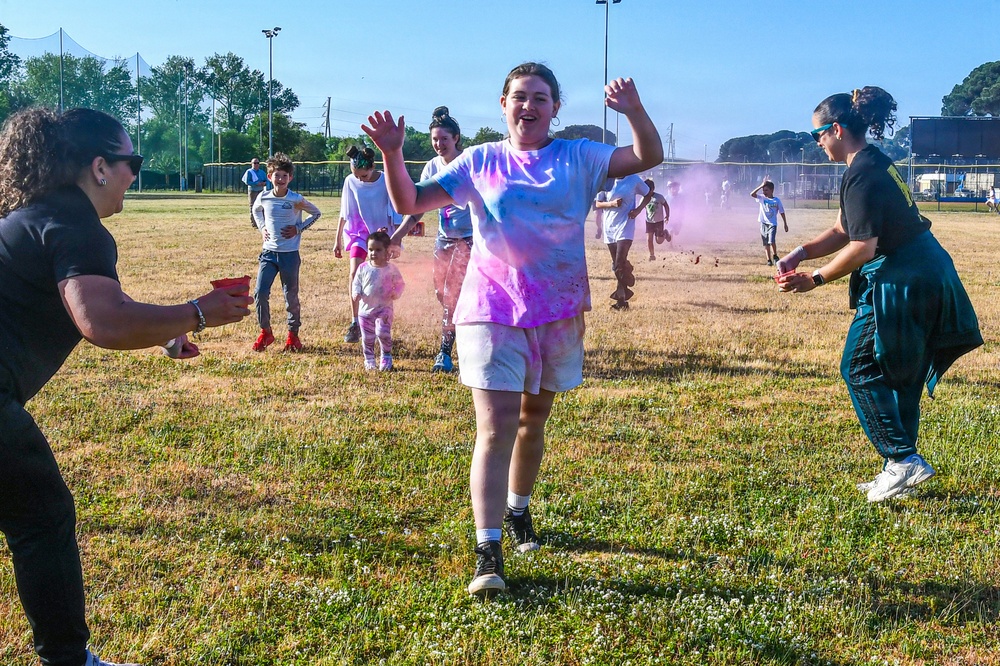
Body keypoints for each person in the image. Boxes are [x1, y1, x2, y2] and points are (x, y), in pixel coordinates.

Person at [362, 62, 662, 597]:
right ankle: (488, 550)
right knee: (497, 425)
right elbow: (410, 202)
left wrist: (634, 110)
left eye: (541, 98)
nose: (529, 106)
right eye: (520, 96)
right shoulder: (480, 161)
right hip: (490, 307)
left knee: (534, 417)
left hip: (557, 309)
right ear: (503, 104)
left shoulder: (578, 156)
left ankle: (520, 511)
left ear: (555, 108)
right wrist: (391, 152)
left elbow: (646, 157)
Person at [0, 108, 252, 666]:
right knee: (41, 516)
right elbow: (103, 321)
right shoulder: (76, 227)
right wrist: (198, 313)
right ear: (98, 167)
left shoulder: (39, 216)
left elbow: (76, 302)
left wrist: (164, 338)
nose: (134, 175)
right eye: (130, 162)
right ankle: (68, 660)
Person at [776, 87, 983, 503]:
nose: (816, 143)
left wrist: (813, 278)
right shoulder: (871, 164)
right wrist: (799, 252)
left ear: (836, 129)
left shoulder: (862, 172)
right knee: (900, 372)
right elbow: (842, 229)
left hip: (904, 276)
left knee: (857, 366)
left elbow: (861, 248)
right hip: (925, 270)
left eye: (818, 134)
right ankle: (899, 468)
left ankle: (903, 458)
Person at [390, 107, 473, 373]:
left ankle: (445, 354)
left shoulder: (469, 163)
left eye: (444, 139)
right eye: (435, 140)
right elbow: (417, 208)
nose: (439, 144)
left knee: (453, 297)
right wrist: (397, 236)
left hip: (470, 240)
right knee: (442, 294)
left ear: (456, 138)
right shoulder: (431, 167)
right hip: (444, 239)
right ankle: (462, 329)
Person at [250, 152, 322, 352]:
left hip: (290, 255)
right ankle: (266, 332)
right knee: (260, 292)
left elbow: (316, 213)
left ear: (290, 178)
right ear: (269, 176)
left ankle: (293, 336)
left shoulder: (295, 199)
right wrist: (262, 227)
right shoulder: (263, 197)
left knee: (290, 296)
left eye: (284, 176)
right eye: (276, 175)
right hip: (268, 254)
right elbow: (256, 211)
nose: (280, 179)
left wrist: (298, 229)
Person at [335, 145, 402, 344]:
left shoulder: (385, 180)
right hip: (358, 232)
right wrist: (337, 239)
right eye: (356, 176)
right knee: (355, 273)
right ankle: (355, 322)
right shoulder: (350, 181)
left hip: (381, 234)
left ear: (372, 167)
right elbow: (344, 212)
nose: (360, 180)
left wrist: (396, 239)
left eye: (363, 176)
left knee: (380, 280)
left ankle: (381, 321)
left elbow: (396, 210)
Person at [595, 175, 651, 309]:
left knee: (618, 264)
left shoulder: (633, 179)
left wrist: (638, 210)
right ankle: (622, 301)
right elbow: (598, 203)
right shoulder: (605, 180)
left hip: (626, 227)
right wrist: (611, 204)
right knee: (617, 265)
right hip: (609, 227)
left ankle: (626, 277)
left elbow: (648, 194)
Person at [352, 230, 405, 371]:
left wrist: (396, 292)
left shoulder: (391, 269)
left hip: (384, 308)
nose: (373, 253)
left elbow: (400, 283)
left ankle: (386, 356)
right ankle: (369, 359)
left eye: (378, 250)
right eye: (370, 249)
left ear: (387, 251)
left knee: (383, 333)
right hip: (365, 310)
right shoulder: (363, 268)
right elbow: (356, 282)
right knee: (367, 337)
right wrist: (356, 292)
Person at [750, 177, 788, 265]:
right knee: (766, 243)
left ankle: (775, 255)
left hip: (772, 224)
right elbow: (752, 194)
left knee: (771, 241)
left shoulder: (776, 200)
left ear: (772, 190)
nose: (764, 192)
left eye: (766, 190)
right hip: (763, 223)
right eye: (763, 190)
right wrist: (761, 185)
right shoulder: (762, 198)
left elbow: (782, 212)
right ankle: (769, 260)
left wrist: (785, 224)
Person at [642, 178, 671, 261]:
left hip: (659, 221)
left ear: (653, 189)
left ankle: (665, 233)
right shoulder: (643, 198)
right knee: (649, 239)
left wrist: (667, 216)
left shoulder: (659, 197)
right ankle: (652, 255)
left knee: (659, 241)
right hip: (649, 222)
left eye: (649, 190)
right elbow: (642, 207)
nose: (648, 192)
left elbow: (666, 205)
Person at [241, 157, 268, 228]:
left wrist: (264, 183)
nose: (256, 164)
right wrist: (256, 183)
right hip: (253, 191)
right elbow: (247, 181)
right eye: (254, 163)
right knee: (253, 206)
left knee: (262, 206)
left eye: (257, 163)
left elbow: (267, 180)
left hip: (261, 191)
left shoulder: (262, 172)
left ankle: (262, 222)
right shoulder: (249, 172)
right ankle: (254, 223)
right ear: (251, 164)